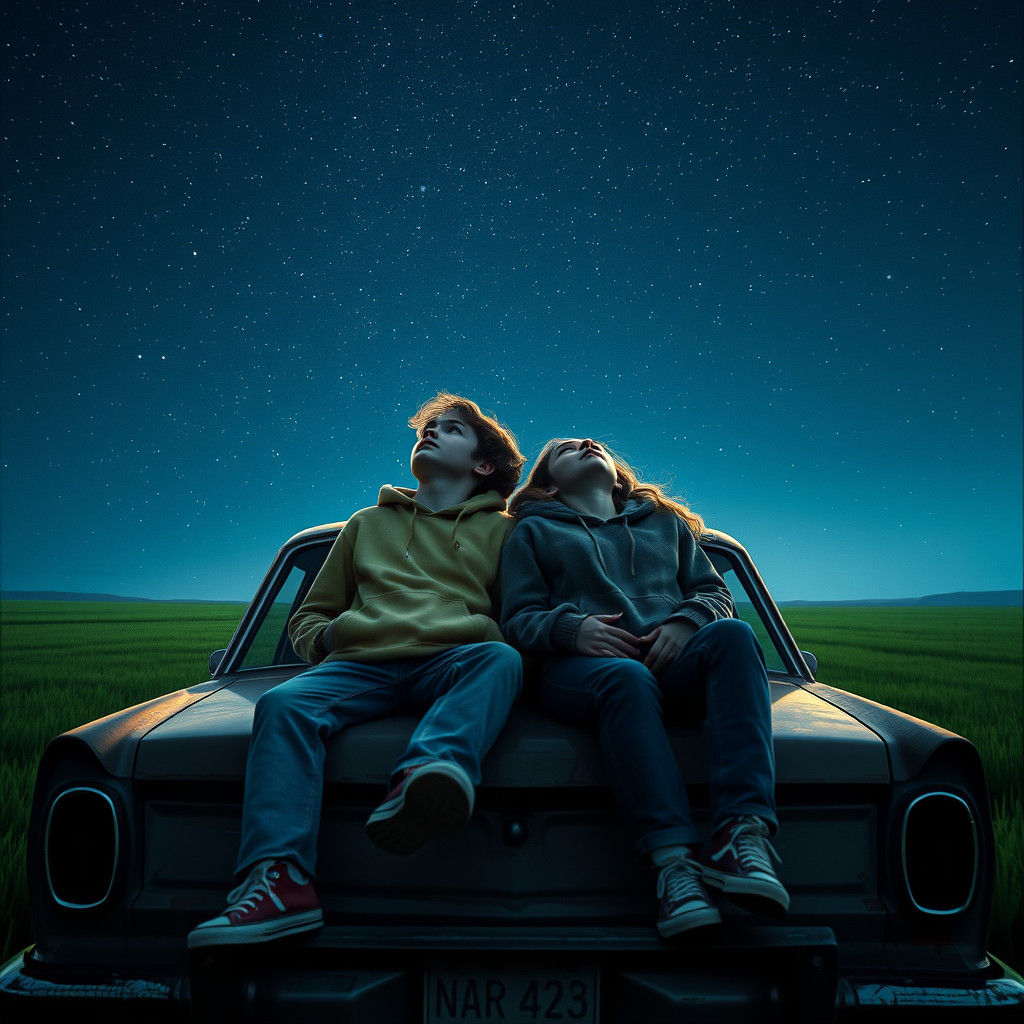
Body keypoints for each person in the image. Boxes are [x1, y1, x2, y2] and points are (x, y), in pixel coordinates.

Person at [188, 393, 525, 948]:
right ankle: (280, 883)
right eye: (428, 427)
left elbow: (516, 616)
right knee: (281, 702)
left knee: (501, 657)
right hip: (360, 664)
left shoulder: (505, 532)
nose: (432, 432)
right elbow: (312, 613)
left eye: (452, 429)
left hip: (452, 660)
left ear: (483, 465)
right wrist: (329, 637)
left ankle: (427, 774)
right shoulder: (366, 524)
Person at [498, 437, 787, 939]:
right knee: (625, 677)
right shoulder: (531, 531)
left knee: (736, 635)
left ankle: (740, 835)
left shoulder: (666, 524)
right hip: (579, 672)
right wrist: (572, 629)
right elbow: (517, 618)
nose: (586, 443)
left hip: (669, 663)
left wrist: (686, 622)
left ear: (617, 472)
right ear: (546, 482)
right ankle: (674, 866)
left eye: (594, 444)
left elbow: (714, 591)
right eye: (566, 448)